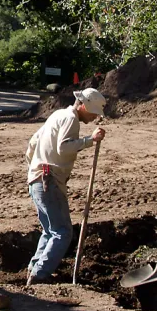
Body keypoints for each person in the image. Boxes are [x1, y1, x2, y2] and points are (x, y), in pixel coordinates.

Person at [24, 87, 107, 285]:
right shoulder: (70, 119)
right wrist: (90, 140)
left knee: (49, 230)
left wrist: (34, 169)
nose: (96, 117)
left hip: (37, 179)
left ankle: (34, 269)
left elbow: (33, 142)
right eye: (94, 112)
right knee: (62, 232)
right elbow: (63, 148)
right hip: (48, 180)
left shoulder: (57, 115)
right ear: (84, 105)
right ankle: (40, 275)